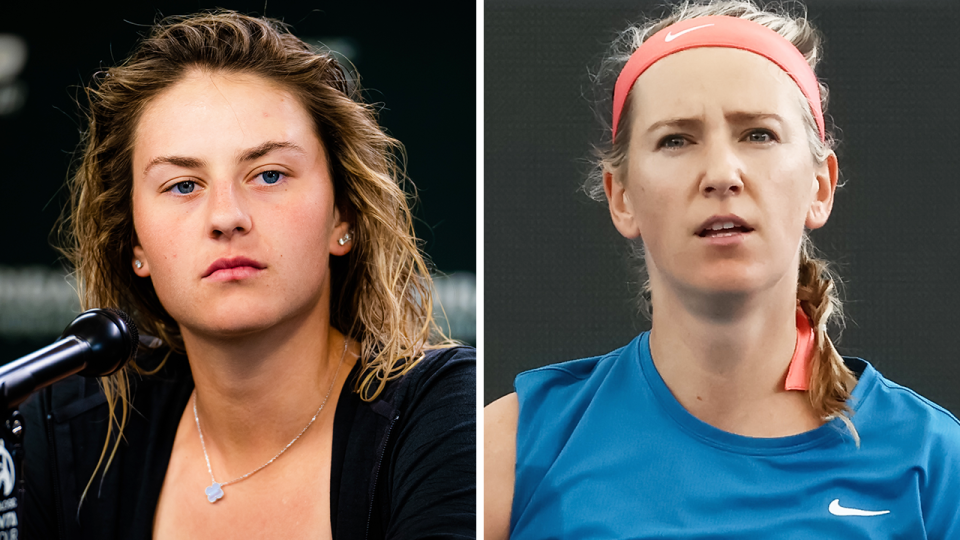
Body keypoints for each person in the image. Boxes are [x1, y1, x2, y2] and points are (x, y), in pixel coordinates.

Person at [484, 1, 960, 538]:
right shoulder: (510, 448)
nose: (721, 174)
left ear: (820, 186)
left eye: (758, 134)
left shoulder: (934, 462)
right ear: (621, 197)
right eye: (676, 139)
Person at [21, 11, 475, 539]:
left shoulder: (442, 419)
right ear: (135, 244)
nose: (226, 216)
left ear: (342, 216)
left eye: (269, 175)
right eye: (183, 185)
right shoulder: (66, 432)